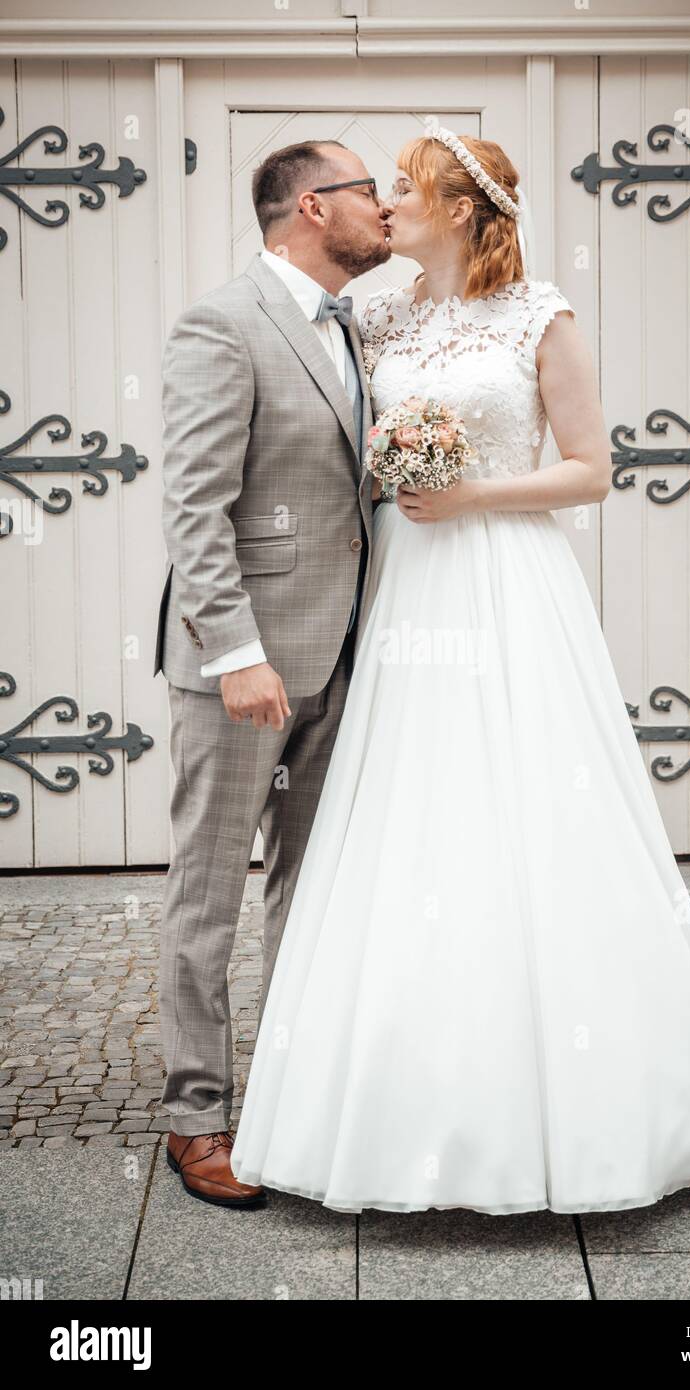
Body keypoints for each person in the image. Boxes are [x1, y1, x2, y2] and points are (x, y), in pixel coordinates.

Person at [229, 124, 690, 1215]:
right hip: (408, 587)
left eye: (404, 194)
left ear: (459, 211)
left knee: (530, 802)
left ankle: (587, 1071)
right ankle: (396, 1072)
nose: (387, 209)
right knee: (406, 808)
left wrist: (466, 496)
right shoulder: (377, 312)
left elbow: (591, 471)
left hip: (506, 584)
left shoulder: (539, 314)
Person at [153, 139, 391, 1207]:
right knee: (207, 895)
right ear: (309, 207)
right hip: (242, 672)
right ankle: (195, 1117)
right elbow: (195, 508)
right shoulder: (223, 321)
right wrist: (235, 655)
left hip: (342, 655)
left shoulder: (355, 330)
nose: (382, 210)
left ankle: (292, 1097)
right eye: (365, 193)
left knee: (311, 890)